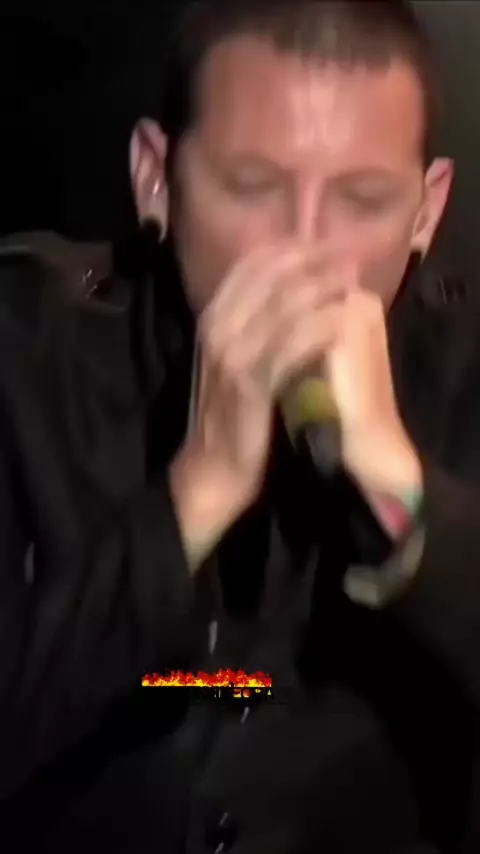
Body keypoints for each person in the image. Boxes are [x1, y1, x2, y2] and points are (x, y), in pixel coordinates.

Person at [1, 1, 480, 851]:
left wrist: (404, 499)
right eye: (253, 187)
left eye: (364, 199)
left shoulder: (469, 368)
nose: (304, 248)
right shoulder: (27, 345)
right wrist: (198, 489)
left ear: (425, 210)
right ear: (156, 177)